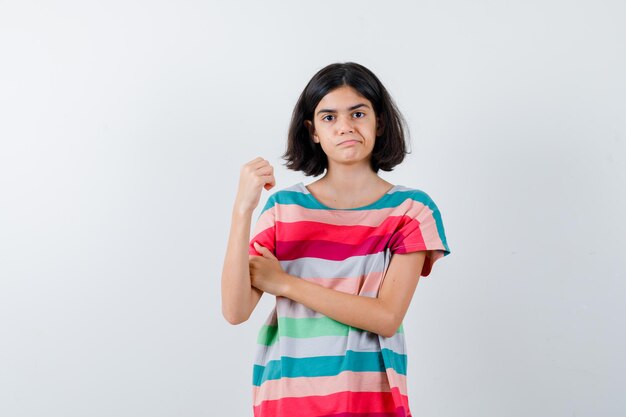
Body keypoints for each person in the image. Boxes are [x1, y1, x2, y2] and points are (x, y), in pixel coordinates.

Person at [221, 62, 451, 417]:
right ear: (312, 131)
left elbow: (386, 317)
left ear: (380, 122)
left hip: (369, 401)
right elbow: (235, 311)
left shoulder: (411, 211)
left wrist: (284, 283)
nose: (345, 127)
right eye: (329, 117)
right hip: (287, 399)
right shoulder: (284, 208)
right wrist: (242, 210)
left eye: (358, 113)